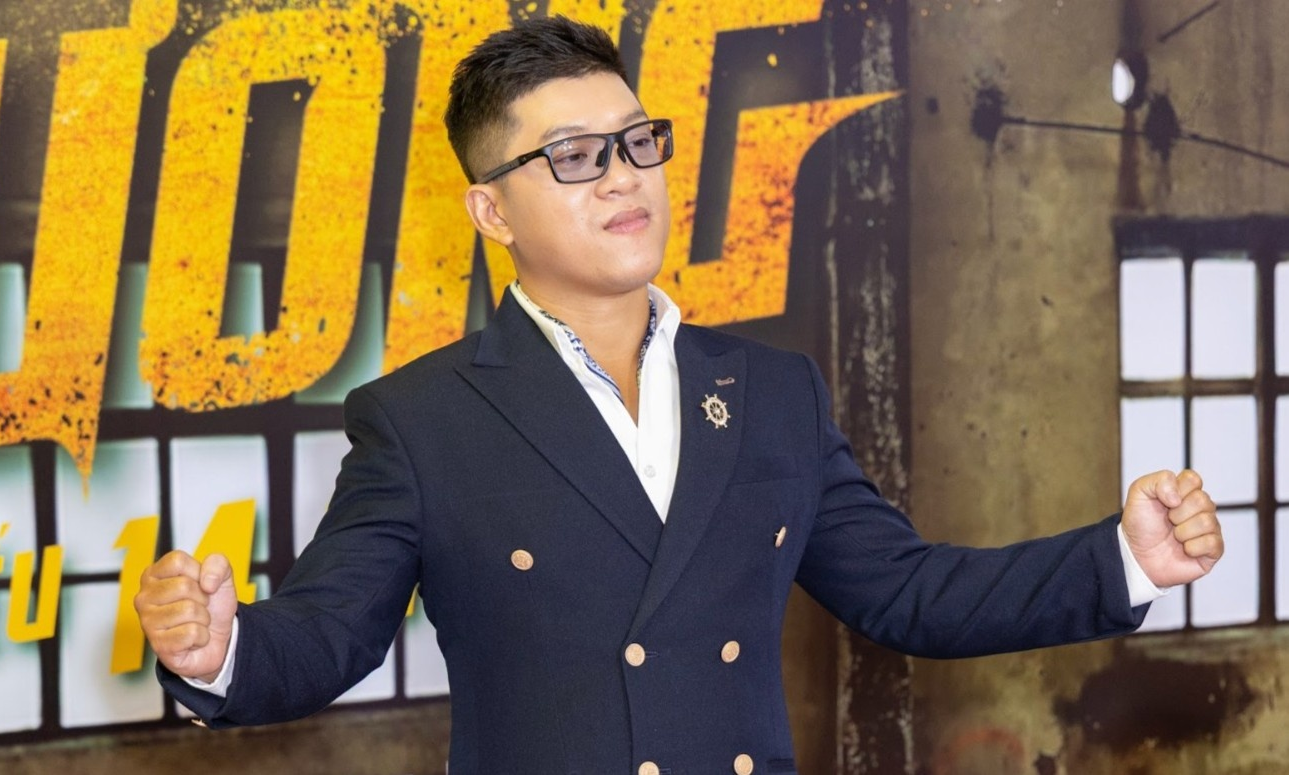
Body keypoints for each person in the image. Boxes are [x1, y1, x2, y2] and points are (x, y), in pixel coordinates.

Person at [135, 16, 1224, 775]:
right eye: (573, 156)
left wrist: (1123, 558)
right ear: (491, 212)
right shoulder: (423, 419)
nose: (623, 175)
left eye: (636, 142)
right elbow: (330, 634)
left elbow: (909, 593)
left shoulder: (772, 392)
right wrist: (217, 650)